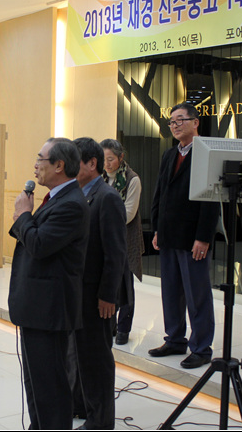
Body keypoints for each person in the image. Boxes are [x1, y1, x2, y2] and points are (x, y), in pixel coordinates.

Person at [8, 137, 90, 429]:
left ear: (59, 165)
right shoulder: (56, 198)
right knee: (36, 383)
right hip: (36, 308)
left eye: (40, 159)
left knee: (50, 387)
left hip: (49, 310)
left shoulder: (71, 204)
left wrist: (23, 215)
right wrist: (25, 218)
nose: (35, 166)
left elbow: (40, 245)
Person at [149, 103, 220, 369]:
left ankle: (201, 347)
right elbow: (160, 192)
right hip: (169, 233)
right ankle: (175, 339)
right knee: (171, 291)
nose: (175, 125)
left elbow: (211, 199)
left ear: (195, 122)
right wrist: (157, 228)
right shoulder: (170, 154)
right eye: (172, 122)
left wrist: (204, 237)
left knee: (196, 294)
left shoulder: (207, 152)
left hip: (193, 237)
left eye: (180, 120)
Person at [70, 137, 129, 430]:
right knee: (80, 355)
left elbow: (115, 253)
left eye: (74, 162)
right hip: (79, 293)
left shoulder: (107, 198)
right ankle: (82, 406)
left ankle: (101, 421)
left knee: (96, 360)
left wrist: (108, 295)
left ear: (92, 164)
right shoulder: (79, 194)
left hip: (98, 297)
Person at [100, 138, 144, 345]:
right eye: (103, 159)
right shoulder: (100, 178)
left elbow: (128, 213)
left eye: (110, 159)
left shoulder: (132, 179)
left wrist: (103, 219)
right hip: (104, 238)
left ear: (121, 157)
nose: (107, 164)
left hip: (125, 238)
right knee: (108, 281)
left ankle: (124, 328)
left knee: (125, 285)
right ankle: (110, 325)